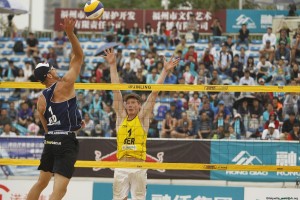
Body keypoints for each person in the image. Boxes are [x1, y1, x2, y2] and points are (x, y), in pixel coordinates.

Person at [103, 48, 179, 200]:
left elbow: (154, 93)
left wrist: (164, 71)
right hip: (121, 166)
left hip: (139, 166)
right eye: (128, 103)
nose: (130, 105)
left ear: (139, 105)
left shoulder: (142, 118)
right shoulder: (121, 117)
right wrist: (112, 65)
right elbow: (116, 91)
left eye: (133, 103)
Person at [26, 17, 84, 200]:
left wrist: (71, 122)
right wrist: (69, 33)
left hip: (50, 140)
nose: (56, 70)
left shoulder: (40, 99)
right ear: (49, 73)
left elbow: (46, 126)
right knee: (59, 189)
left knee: (41, 183)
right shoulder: (64, 84)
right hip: (65, 140)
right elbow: (79, 56)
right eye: (53, 68)